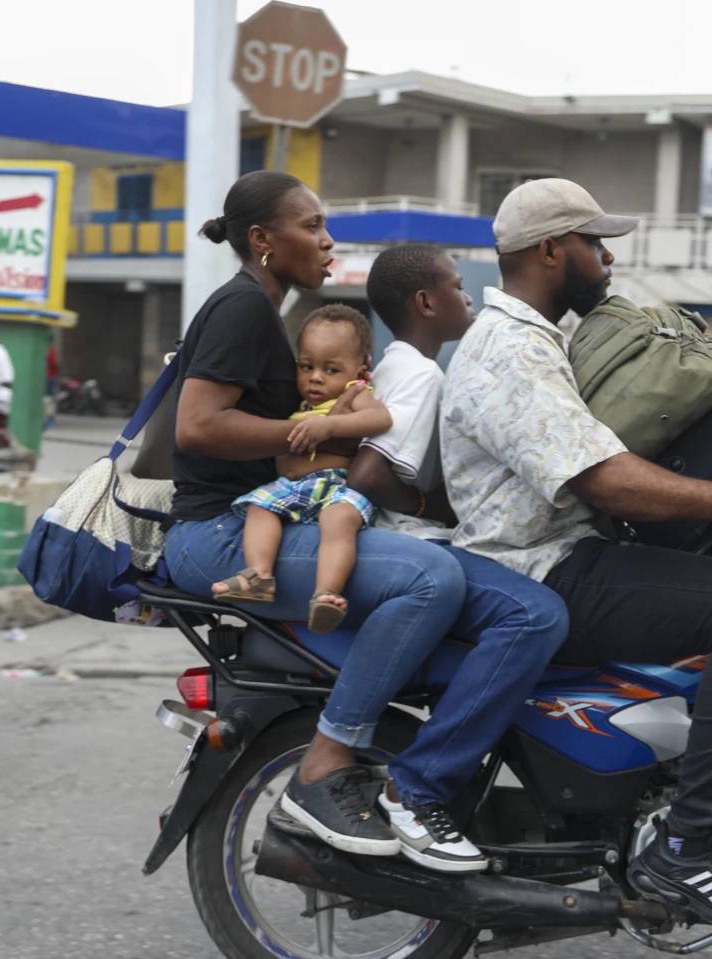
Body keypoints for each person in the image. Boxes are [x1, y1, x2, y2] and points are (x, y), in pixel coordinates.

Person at [439, 178, 712, 938]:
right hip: (544, 567)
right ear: (550, 250)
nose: (606, 257)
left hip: (564, 551)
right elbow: (604, 476)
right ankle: (689, 845)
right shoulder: (511, 349)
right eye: (592, 242)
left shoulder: (542, 338)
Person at [162, 170, 465, 858]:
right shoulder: (244, 307)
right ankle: (325, 767)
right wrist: (307, 432)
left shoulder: (262, 310)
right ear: (264, 241)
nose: (328, 241)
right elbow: (198, 425)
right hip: (216, 532)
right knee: (430, 580)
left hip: (246, 520)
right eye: (312, 226)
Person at [344, 243, 570, 873]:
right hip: (410, 547)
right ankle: (421, 787)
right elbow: (368, 474)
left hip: (394, 541)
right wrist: (437, 509)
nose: (468, 297)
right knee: (535, 616)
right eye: (455, 286)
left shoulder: (397, 367)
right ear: (425, 302)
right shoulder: (423, 374)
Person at [213, 305, 393, 633]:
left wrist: (331, 426)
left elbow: (380, 419)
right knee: (259, 508)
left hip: (335, 486)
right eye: (306, 366)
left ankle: (327, 594)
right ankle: (259, 576)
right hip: (292, 488)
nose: (315, 378)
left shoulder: (356, 394)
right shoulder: (303, 405)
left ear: (360, 367)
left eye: (331, 369)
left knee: (338, 521)